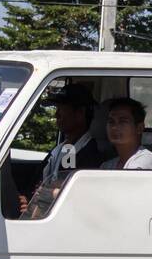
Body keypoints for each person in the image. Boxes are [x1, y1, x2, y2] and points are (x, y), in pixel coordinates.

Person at [20, 82, 103, 216]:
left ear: (80, 113)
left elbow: (66, 192)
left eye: (62, 108)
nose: (56, 114)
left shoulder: (90, 154)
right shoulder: (67, 148)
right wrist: (29, 201)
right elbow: (52, 180)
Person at [100, 97, 152, 170]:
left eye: (122, 121)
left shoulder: (146, 160)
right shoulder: (107, 166)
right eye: (111, 122)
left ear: (139, 128)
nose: (114, 127)